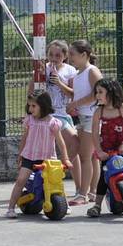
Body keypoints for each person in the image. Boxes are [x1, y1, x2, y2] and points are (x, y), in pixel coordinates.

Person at [6, 90, 72, 218]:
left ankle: (65, 205)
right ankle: (11, 208)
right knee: (20, 181)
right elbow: (24, 138)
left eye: (33, 106)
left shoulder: (53, 122)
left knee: (56, 182)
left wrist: (66, 159)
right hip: (29, 156)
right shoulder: (30, 120)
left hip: (48, 159)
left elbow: (61, 142)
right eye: (29, 106)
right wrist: (20, 155)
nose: (30, 109)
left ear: (43, 105)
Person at [28, 40, 81, 197]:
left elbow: (73, 94)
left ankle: (78, 187)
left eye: (58, 55)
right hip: (47, 115)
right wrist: (37, 76)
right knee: (48, 149)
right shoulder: (43, 70)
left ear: (64, 56)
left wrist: (59, 83)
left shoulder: (70, 71)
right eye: (51, 54)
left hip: (62, 114)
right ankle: (46, 178)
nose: (54, 58)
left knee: (74, 144)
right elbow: (31, 92)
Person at [88, 79, 123, 218]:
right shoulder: (99, 111)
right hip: (108, 149)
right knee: (104, 176)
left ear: (111, 93)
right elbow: (94, 133)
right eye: (96, 92)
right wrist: (99, 150)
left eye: (100, 92)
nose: (97, 95)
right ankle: (97, 205)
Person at [65, 40, 103, 206]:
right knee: (92, 157)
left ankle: (83, 194)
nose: (70, 57)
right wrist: (75, 106)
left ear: (84, 55)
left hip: (91, 117)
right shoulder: (79, 74)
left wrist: (76, 103)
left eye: (72, 54)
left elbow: (98, 94)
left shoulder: (91, 71)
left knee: (85, 156)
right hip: (82, 117)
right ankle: (93, 191)